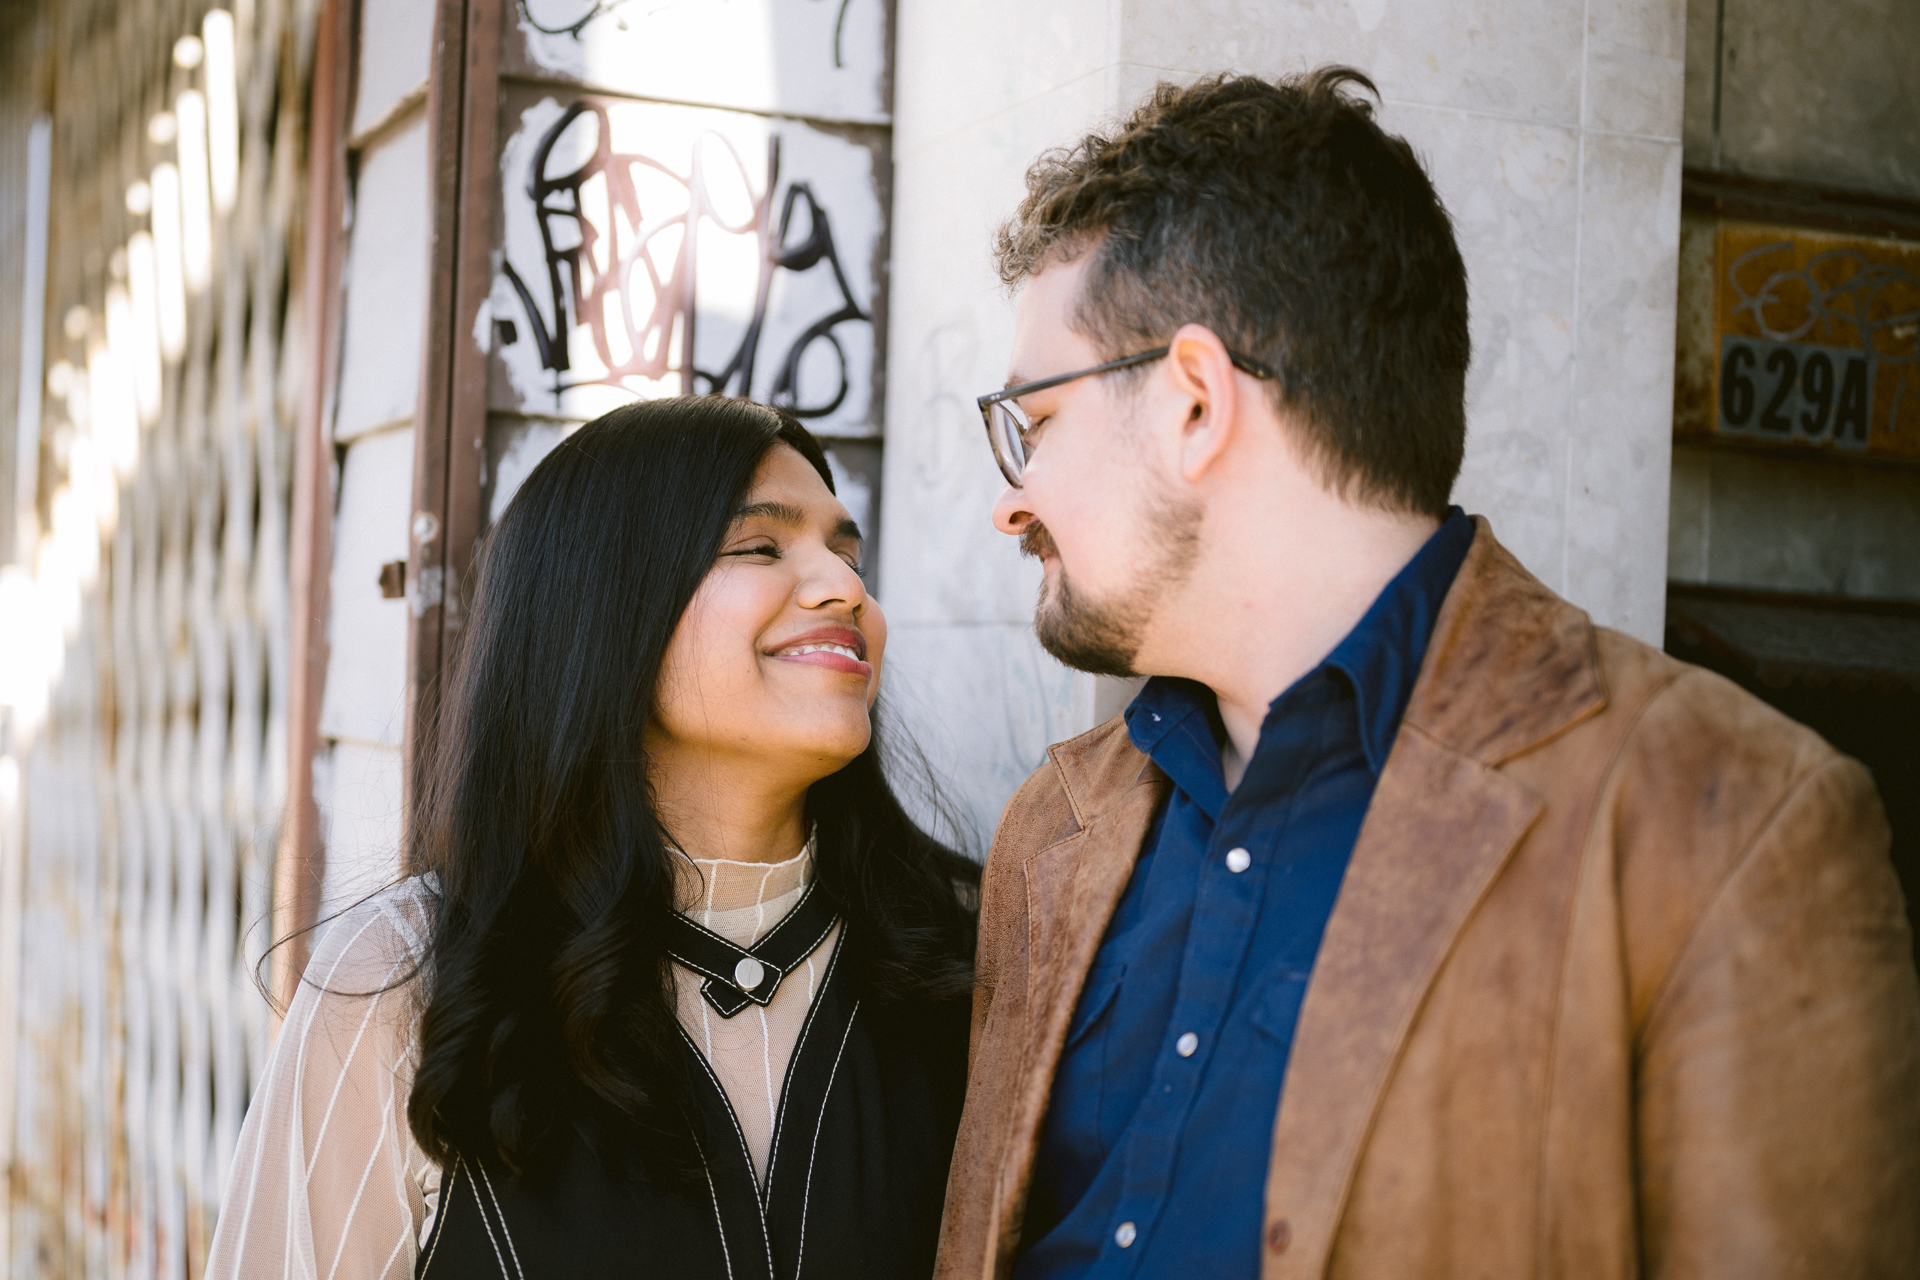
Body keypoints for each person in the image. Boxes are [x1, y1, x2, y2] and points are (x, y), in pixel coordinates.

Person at [937, 68, 1920, 1279]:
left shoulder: (1727, 826)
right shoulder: (1055, 827)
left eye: (1033, 424)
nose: (1009, 500)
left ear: (1196, 400)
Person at [207, 398, 977, 1279]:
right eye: (759, 547)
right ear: (601, 610)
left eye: (846, 553)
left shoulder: (973, 961)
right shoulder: (400, 985)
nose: (848, 589)